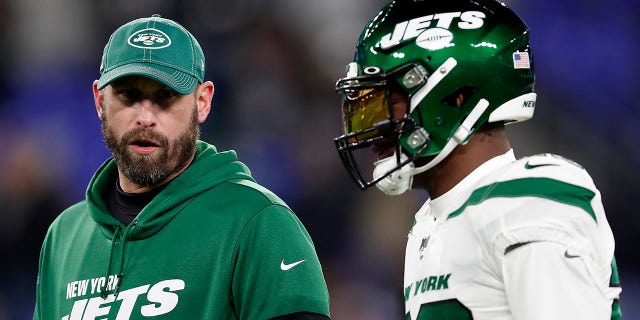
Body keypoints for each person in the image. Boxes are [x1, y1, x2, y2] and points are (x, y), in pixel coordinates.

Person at [332, 0, 622, 319]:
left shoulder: (528, 199)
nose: (372, 131)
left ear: (456, 97)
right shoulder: (434, 221)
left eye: (386, 105)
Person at [33, 15, 331, 320]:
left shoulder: (257, 221)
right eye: (128, 95)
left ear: (202, 102)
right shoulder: (64, 236)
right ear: (99, 100)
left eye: (165, 96)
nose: (145, 117)